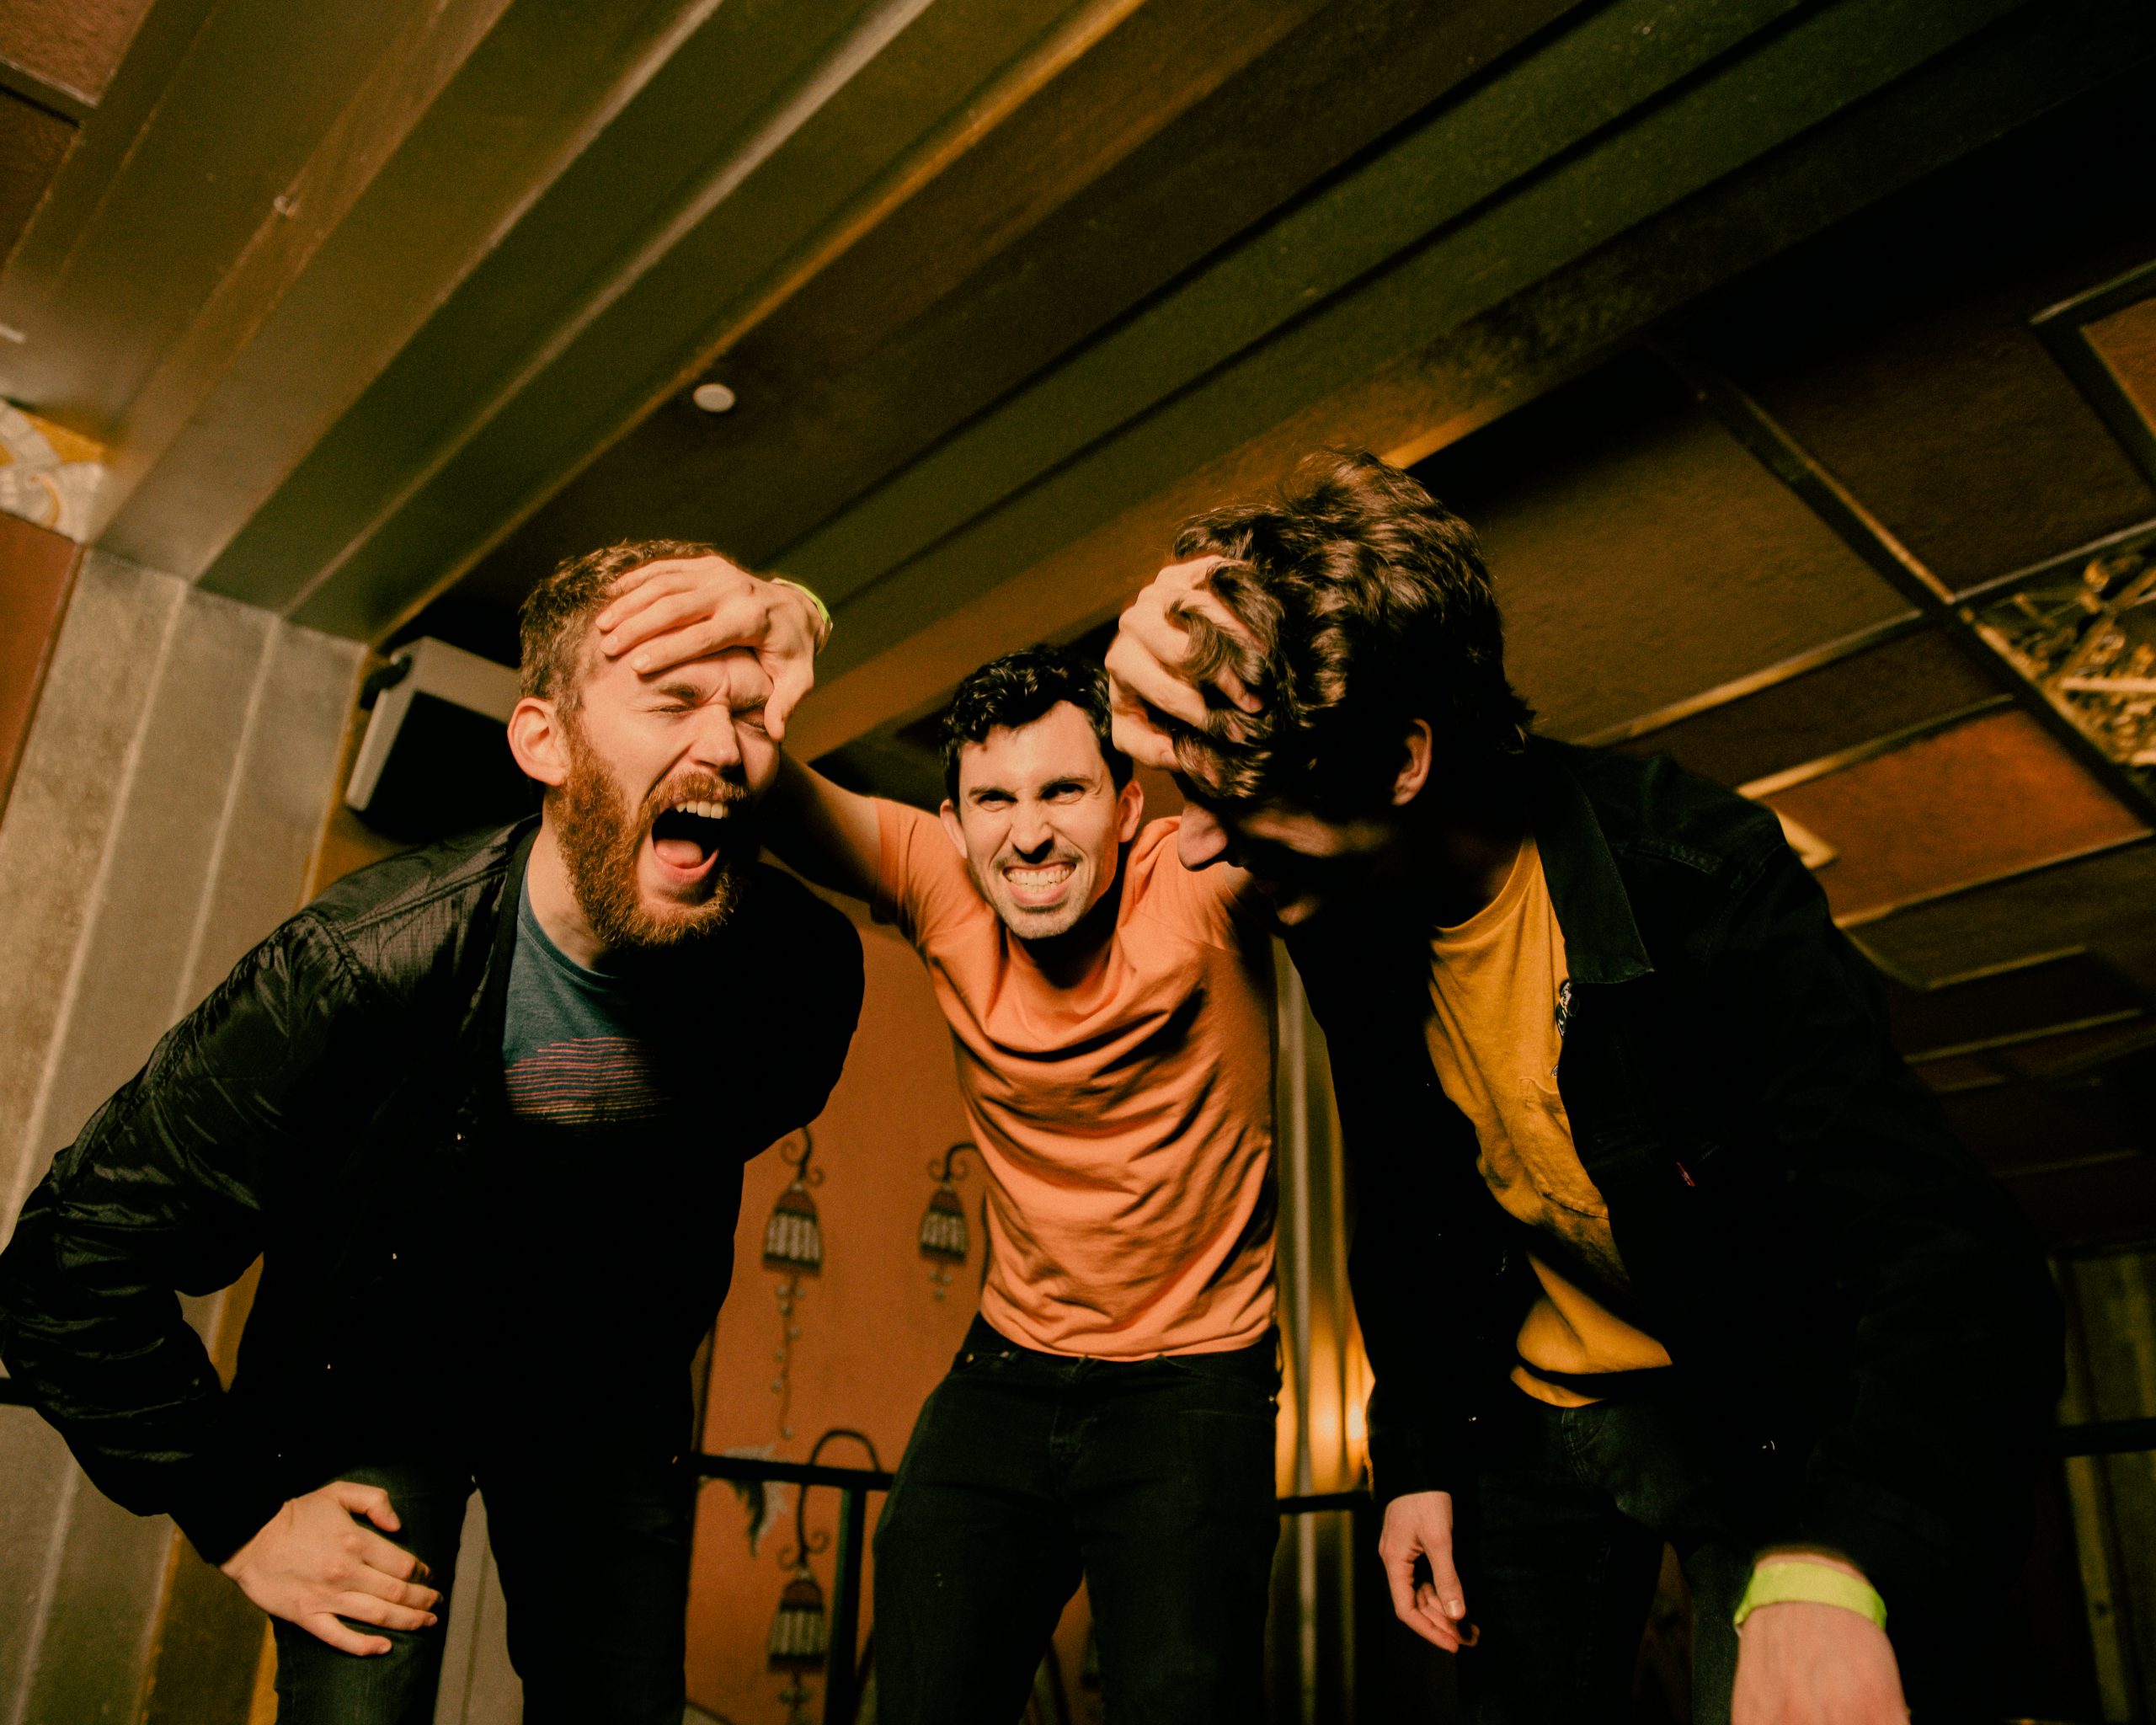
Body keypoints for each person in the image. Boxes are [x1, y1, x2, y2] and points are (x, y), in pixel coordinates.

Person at [1101, 451, 2063, 1725]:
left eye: (1234, 798)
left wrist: (1842, 1558)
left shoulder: (1697, 872)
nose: (1196, 843)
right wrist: (1418, 1456)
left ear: (1399, 760)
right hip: (1538, 1418)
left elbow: (1958, 1261)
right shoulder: (1339, 907)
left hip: (1750, 1419)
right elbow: (1411, 1198)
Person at [0, 541, 862, 1725]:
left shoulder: (797, 968)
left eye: (750, 713)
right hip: (374, 1391)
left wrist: (800, 608)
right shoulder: (358, 969)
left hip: (603, 1401)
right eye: (671, 702)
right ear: (544, 743)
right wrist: (239, 1514)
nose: (721, 744)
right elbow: (69, 1261)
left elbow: (751, 1108)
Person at [602, 568, 1285, 1722]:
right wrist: (791, 615)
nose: (1030, 833)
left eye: (1064, 791)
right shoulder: (939, 878)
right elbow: (758, 781)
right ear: (957, 821)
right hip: (1008, 1366)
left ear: (1129, 805)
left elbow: (1335, 785)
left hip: (1193, 1379)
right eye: (993, 800)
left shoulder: (1202, 880)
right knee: (922, 1687)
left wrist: (1236, 669)